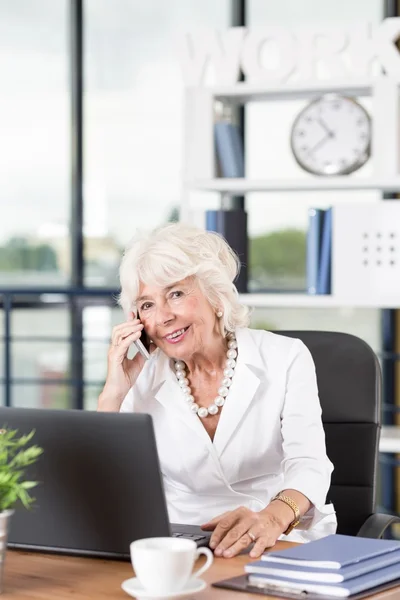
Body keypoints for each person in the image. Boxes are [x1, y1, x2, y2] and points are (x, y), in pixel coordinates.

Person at [98, 222, 337, 558]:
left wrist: (273, 516)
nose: (163, 316)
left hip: (274, 534)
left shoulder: (285, 356)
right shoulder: (141, 376)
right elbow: (104, 484)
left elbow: (309, 463)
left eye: (176, 294)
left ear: (215, 296)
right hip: (175, 543)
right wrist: (114, 392)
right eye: (147, 304)